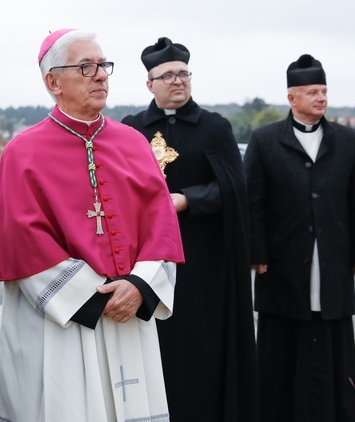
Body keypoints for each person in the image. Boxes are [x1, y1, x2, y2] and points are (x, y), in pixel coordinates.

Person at [0, 29, 185, 422]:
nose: (101, 75)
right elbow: (22, 238)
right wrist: (92, 296)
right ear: (53, 82)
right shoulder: (22, 152)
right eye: (86, 66)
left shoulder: (134, 143)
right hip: (61, 319)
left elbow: (161, 223)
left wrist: (139, 286)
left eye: (103, 65)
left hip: (128, 309)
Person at [122, 37, 258, 421]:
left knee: (201, 344)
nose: (177, 81)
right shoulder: (132, 129)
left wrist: (187, 200)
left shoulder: (215, 127)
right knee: (156, 344)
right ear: (150, 84)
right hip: (149, 257)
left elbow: (234, 188)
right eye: (167, 75)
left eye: (183, 73)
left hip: (203, 260)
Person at [243, 54, 355, 422]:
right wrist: (256, 251)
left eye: (324, 91)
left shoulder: (347, 140)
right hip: (281, 265)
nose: (321, 98)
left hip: (332, 259)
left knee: (332, 339)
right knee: (282, 345)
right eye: (312, 92)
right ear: (292, 98)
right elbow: (252, 203)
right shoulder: (265, 140)